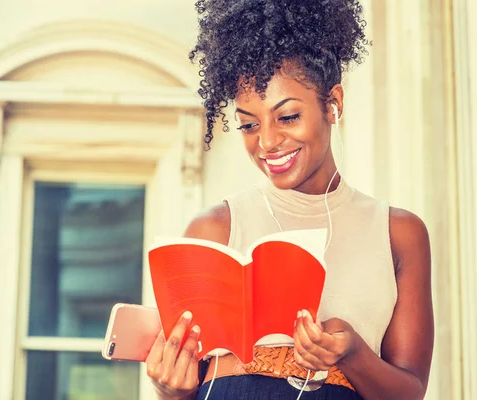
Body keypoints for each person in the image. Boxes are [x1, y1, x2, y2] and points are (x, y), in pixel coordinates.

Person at [145, 0, 434, 399]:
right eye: (249, 124)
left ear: (333, 104)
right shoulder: (214, 228)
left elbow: (411, 391)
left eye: (287, 117)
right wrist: (169, 388)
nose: (266, 142)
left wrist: (352, 354)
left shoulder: (398, 233)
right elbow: (188, 386)